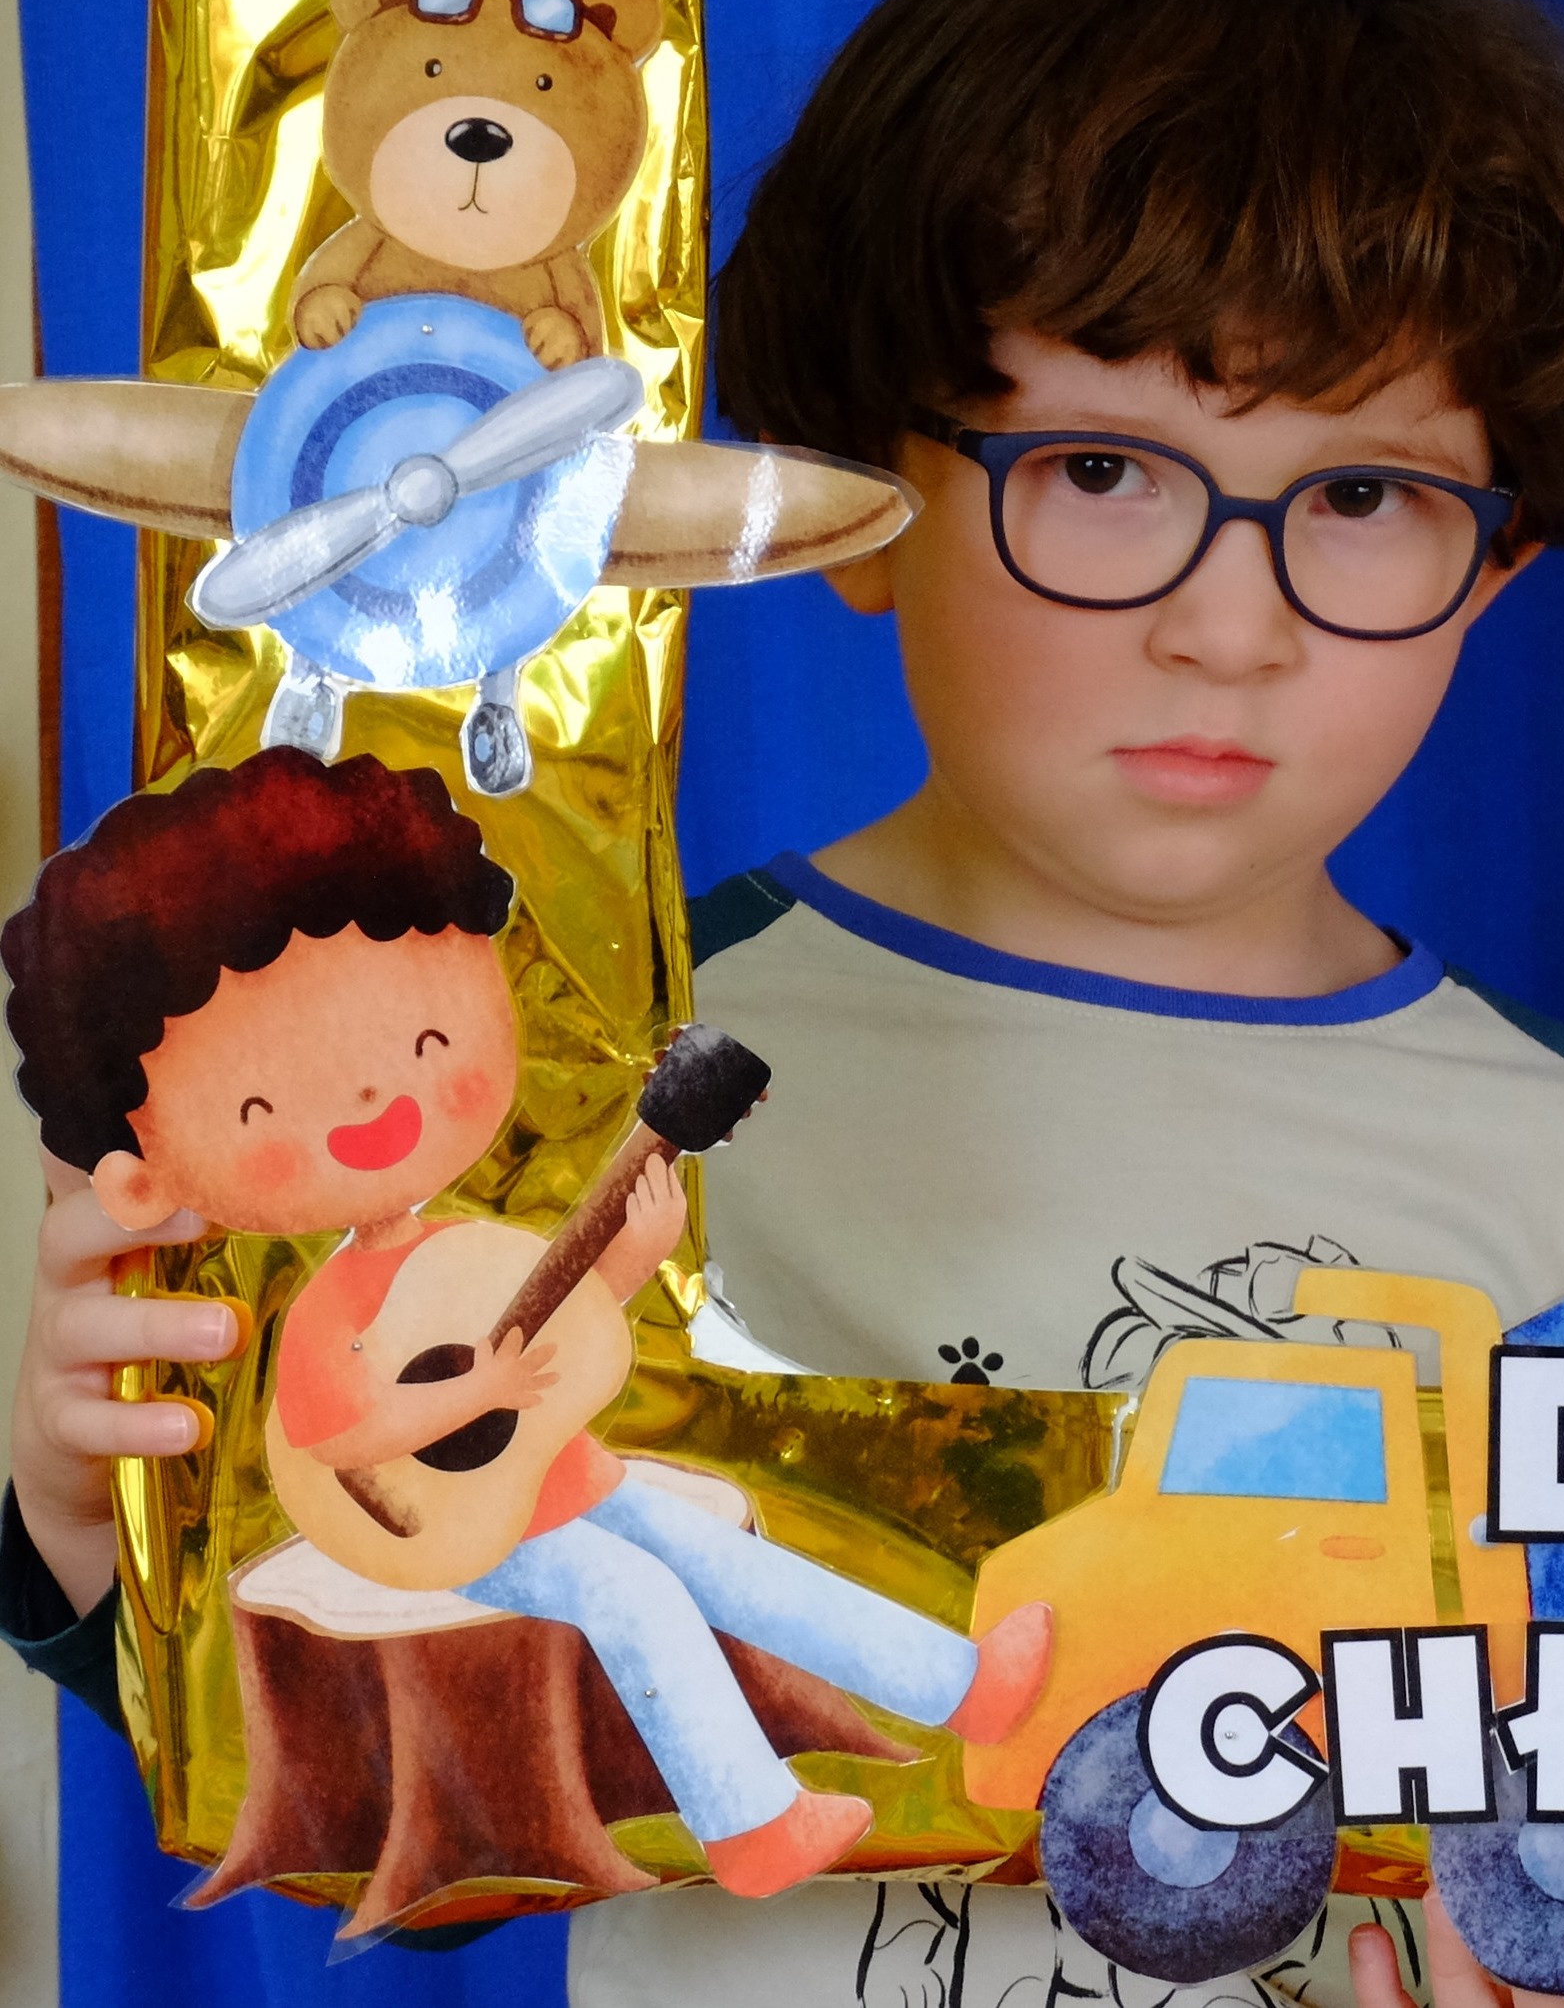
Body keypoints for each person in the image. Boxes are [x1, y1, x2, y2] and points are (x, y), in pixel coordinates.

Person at [9, 0, 1564, 2008]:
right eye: (1099, 471)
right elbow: (365, 1708)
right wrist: (104, 1524)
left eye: (1364, 497)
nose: (1231, 624)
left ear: (1499, 558)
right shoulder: (573, 1064)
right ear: (846, 502)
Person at [4, 747, 1058, 1898]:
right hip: (455, 1540)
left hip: (574, 1487)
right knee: (635, 1596)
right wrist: (474, 1395)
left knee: (733, 1564)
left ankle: (968, 1688)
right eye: (262, 1103)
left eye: (423, 1043)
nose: (373, 1099)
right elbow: (344, 1437)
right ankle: (752, 1825)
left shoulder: (468, 1248)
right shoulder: (331, 1309)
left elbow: (563, 1328)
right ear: (143, 1179)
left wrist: (636, 1254)